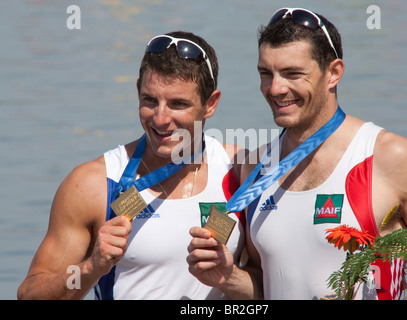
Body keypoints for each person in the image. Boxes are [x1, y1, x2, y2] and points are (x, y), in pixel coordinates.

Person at [187, 8, 407, 300]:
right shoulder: (255, 168)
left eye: (292, 74)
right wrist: (230, 277)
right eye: (266, 73)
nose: (275, 88)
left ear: (333, 73)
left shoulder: (389, 157)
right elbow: (268, 285)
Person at [17, 31, 246, 300]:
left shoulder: (243, 171)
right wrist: (91, 267)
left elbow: (276, 283)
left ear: (210, 104)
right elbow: (30, 294)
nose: (160, 119)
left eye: (178, 104)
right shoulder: (92, 184)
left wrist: (231, 278)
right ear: (138, 90)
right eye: (150, 100)